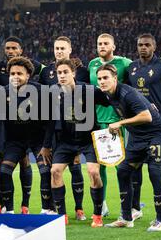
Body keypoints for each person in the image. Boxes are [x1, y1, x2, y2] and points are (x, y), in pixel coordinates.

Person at [96, 64, 161, 232]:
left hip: (156, 134)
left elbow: (147, 116)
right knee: (123, 171)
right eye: (99, 78)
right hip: (137, 138)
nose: (102, 81)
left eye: (105, 78)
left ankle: (160, 221)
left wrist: (120, 123)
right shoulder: (107, 95)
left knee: (154, 172)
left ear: (115, 79)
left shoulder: (126, 93)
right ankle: (126, 218)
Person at [126, 33, 161, 225]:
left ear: (154, 47)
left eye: (147, 45)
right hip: (137, 126)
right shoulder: (131, 68)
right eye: (140, 44)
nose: (143, 47)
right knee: (134, 167)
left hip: (159, 126)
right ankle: (135, 209)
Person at [48, 59, 106, 228]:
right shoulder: (54, 93)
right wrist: (46, 146)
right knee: (55, 171)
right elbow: (50, 122)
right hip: (66, 142)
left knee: (93, 172)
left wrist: (120, 119)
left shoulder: (89, 90)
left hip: (88, 140)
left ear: (73, 73)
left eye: (65, 72)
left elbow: (111, 101)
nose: (62, 76)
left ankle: (97, 215)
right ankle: (62, 215)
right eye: (59, 73)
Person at [0, 36, 44, 214]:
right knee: (4, 172)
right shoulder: (2, 93)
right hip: (14, 140)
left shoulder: (40, 91)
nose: (15, 77)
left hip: (36, 141)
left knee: (46, 171)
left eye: (19, 73)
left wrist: (48, 145)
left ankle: (48, 210)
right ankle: (9, 210)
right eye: (12, 74)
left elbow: (51, 121)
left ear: (28, 75)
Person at [39, 36, 89, 220]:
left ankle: (79, 208)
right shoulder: (46, 73)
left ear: (70, 49)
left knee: (76, 167)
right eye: (56, 48)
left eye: (62, 48)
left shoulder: (82, 71)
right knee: (53, 169)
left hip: (75, 126)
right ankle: (55, 208)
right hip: (55, 129)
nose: (59, 51)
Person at [87, 33, 132, 217]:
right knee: (100, 166)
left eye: (106, 43)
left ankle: (131, 207)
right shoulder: (92, 64)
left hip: (119, 121)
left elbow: (134, 85)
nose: (102, 46)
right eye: (99, 43)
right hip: (98, 120)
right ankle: (102, 204)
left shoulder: (125, 63)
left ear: (113, 46)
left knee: (124, 166)